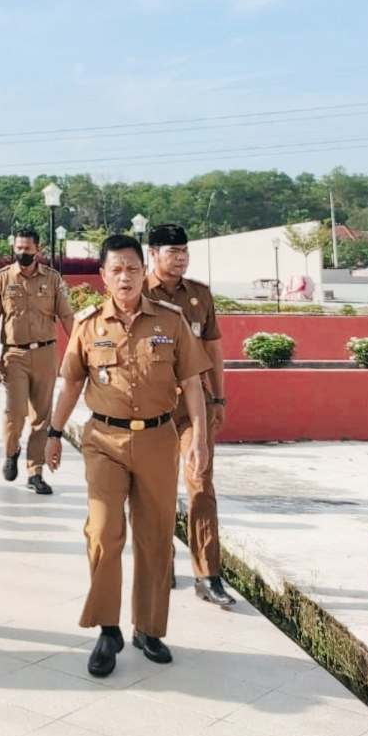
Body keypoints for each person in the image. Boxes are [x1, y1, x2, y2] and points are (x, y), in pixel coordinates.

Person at [44, 234, 211, 678]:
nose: (124, 277)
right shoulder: (88, 324)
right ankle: (108, 628)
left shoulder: (171, 322)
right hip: (104, 441)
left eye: (132, 268)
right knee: (103, 531)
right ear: (102, 276)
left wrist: (199, 436)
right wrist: (53, 432)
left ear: (144, 271)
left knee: (155, 538)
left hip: (158, 440)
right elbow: (71, 385)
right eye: (115, 269)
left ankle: (149, 629)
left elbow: (192, 383)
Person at [143, 224, 236, 606]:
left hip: (194, 406)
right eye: (172, 251)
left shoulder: (199, 295)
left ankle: (208, 574)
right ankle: (161, 563)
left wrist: (220, 399)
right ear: (153, 254)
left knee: (201, 486)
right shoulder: (138, 293)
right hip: (151, 407)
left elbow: (213, 350)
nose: (179, 257)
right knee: (156, 491)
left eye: (184, 251)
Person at [0, 229, 74, 495]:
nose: (22, 253)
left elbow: (68, 318)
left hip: (46, 354)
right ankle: (11, 452)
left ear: (38, 250)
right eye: (18, 248)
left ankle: (35, 471)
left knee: (41, 416)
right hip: (14, 355)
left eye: (27, 248)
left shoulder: (52, 279)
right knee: (15, 412)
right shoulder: (1, 279)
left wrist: (81, 352)